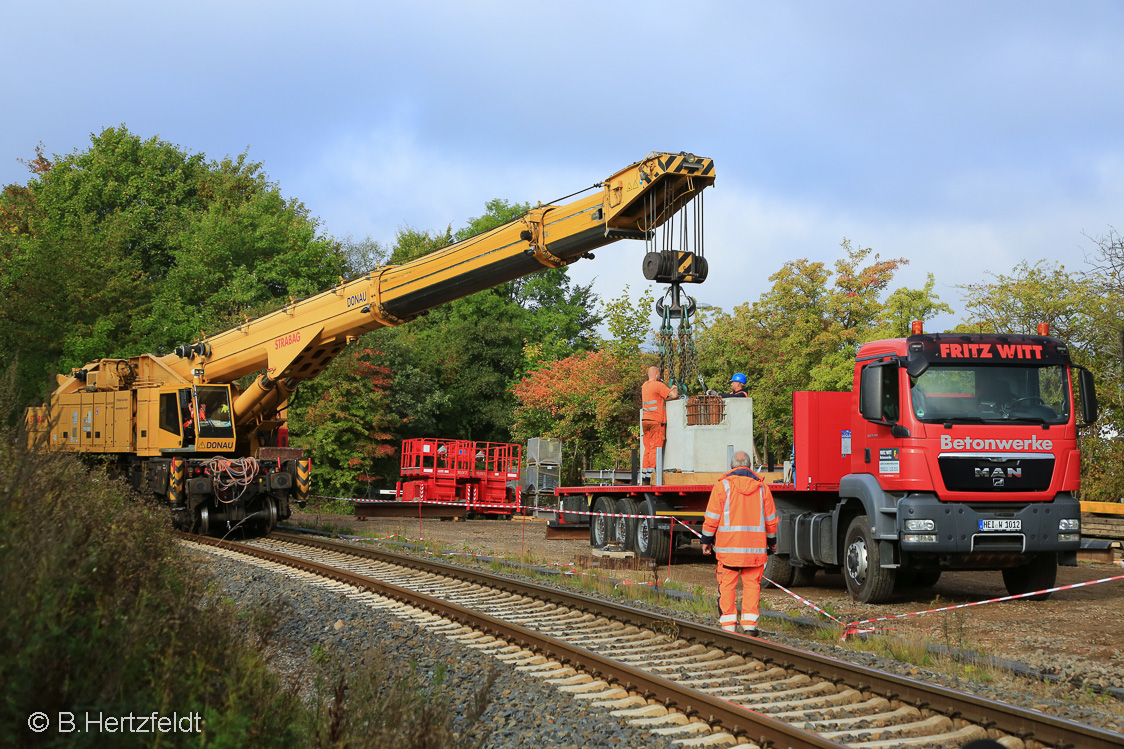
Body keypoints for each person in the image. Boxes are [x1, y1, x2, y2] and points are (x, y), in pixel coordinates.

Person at [701, 450, 778, 635]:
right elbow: (771, 519)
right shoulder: (762, 488)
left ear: (731, 466)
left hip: (729, 549)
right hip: (755, 550)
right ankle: (750, 626)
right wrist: (772, 541)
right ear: (749, 466)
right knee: (752, 585)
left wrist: (706, 540)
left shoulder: (723, 487)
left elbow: (712, 517)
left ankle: (729, 627)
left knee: (727, 585)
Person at [640, 366, 678, 474]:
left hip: (645, 420)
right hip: (656, 420)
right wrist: (674, 387)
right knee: (656, 445)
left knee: (648, 446)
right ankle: (652, 470)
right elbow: (674, 395)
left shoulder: (644, 386)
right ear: (656, 374)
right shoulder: (658, 385)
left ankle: (645, 468)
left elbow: (661, 398)